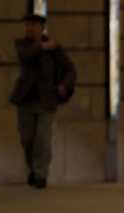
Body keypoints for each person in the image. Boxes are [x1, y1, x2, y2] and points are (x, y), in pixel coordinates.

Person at [10, 13, 76, 189]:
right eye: (27, 25)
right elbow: (26, 56)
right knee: (27, 139)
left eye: (33, 25)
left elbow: (70, 69)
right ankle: (33, 168)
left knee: (43, 139)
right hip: (25, 99)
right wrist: (42, 46)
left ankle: (40, 175)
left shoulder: (55, 48)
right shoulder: (22, 44)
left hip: (46, 100)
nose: (29, 28)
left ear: (42, 28)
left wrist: (64, 84)